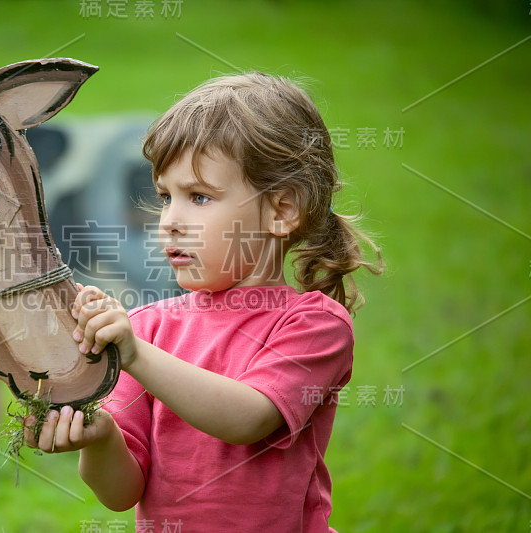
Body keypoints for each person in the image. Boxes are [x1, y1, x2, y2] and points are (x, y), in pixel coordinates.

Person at [25, 71, 383, 531]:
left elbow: (248, 418)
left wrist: (135, 355)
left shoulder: (313, 324)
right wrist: (101, 438)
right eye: (165, 196)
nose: (170, 221)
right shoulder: (150, 327)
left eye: (199, 196)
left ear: (282, 211)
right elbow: (121, 493)